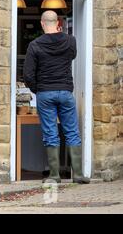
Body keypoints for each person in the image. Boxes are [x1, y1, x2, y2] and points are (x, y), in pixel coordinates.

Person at [24, 10, 89, 184]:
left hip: (45, 92)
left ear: (42, 23)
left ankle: (54, 175)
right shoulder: (70, 41)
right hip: (66, 92)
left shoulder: (35, 45)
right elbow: (73, 56)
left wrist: (39, 90)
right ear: (58, 23)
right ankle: (78, 175)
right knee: (72, 132)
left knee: (51, 134)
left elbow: (28, 74)